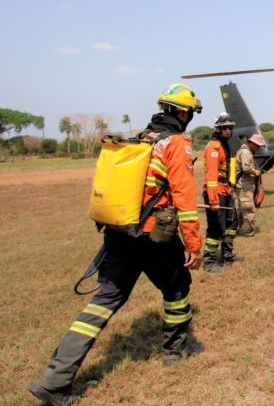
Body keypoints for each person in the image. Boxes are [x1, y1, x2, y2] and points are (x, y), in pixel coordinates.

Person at [29, 83, 204, 406]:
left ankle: (54, 379)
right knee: (177, 288)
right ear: (181, 112)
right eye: (189, 112)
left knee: (103, 301)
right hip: (154, 237)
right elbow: (184, 197)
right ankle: (174, 350)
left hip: (119, 234)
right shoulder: (175, 143)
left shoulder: (138, 138)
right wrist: (193, 243)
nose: (189, 117)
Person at [202, 112, 241, 272]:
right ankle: (209, 262)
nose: (227, 131)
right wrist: (213, 200)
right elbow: (211, 176)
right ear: (218, 129)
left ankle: (227, 254)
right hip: (215, 192)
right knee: (216, 227)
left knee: (232, 224)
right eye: (224, 128)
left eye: (230, 128)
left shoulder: (225, 145)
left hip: (225, 190)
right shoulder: (213, 147)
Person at [235, 133, 266, 237]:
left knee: (241, 208)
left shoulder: (242, 150)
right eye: (257, 145)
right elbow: (246, 168)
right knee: (248, 207)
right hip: (245, 185)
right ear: (252, 143)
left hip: (241, 185)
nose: (257, 148)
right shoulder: (246, 152)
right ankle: (249, 231)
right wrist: (256, 172)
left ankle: (238, 229)